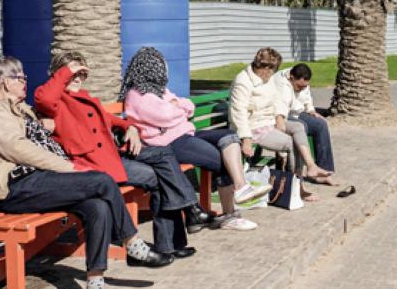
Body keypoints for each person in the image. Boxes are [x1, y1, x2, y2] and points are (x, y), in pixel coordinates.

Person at [0, 55, 166, 289]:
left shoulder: (19, 109)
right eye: (20, 78)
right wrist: (70, 168)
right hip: (18, 188)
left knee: (97, 206)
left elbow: (37, 133)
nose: (25, 81)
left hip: (39, 182)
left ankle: (94, 286)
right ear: (5, 83)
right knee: (102, 180)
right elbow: (20, 151)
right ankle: (133, 244)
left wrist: (43, 127)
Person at [35, 52, 212, 259]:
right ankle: (182, 225)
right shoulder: (52, 100)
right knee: (158, 176)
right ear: (59, 74)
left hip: (112, 157)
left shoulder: (84, 97)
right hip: (92, 166)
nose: (77, 79)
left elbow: (110, 119)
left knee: (163, 156)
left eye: (81, 74)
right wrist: (68, 71)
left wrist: (130, 127)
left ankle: (182, 226)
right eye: (72, 74)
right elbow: (45, 99)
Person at [120, 47, 268, 231]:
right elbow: (165, 115)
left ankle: (240, 187)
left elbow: (189, 106)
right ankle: (230, 214)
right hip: (169, 143)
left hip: (185, 133)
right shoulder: (137, 95)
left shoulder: (160, 91)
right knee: (222, 160)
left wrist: (178, 106)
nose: (164, 70)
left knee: (229, 137)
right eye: (160, 65)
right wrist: (178, 109)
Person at [229, 48, 317, 201]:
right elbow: (238, 111)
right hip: (253, 127)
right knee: (290, 143)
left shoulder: (267, 79)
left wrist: (279, 118)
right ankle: (296, 188)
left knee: (298, 126)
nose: (272, 74)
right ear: (264, 67)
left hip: (269, 121)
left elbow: (276, 99)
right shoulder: (243, 81)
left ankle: (310, 167)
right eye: (271, 69)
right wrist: (246, 138)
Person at [272, 63, 336, 184]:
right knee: (301, 126)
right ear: (291, 77)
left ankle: (324, 171)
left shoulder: (301, 81)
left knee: (320, 124)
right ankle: (298, 171)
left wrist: (311, 110)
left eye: (304, 86)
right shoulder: (282, 84)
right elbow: (281, 109)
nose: (301, 89)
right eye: (299, 86)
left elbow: (307, 96)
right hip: (281, 115)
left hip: (296, 112)